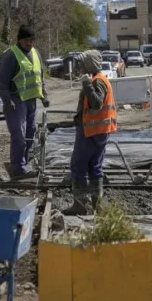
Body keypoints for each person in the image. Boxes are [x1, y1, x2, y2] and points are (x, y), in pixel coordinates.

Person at [64, 50, 117, 215]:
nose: (80, 67)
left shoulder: (96, 81)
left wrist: (86, 84)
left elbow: (96, 103)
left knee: (78, 165)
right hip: (98, 131)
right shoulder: (100, 79)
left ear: (89, 64)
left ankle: (80, 205)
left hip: (91, 132)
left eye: (82, 64)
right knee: (95, 167)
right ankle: (97, 205)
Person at [0, 25, 49, 180]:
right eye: (27, 40)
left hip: (31, 100)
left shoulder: (35, 53)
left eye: (32, 40)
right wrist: (7, 100)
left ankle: (26, 164)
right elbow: (1, 82)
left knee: (30, 133)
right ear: (20, 40)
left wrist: (44, 95)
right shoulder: (10, 56)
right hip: (16, 101)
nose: (30, 43)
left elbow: (40, 76)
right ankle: (18, 168)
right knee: (19, 135)